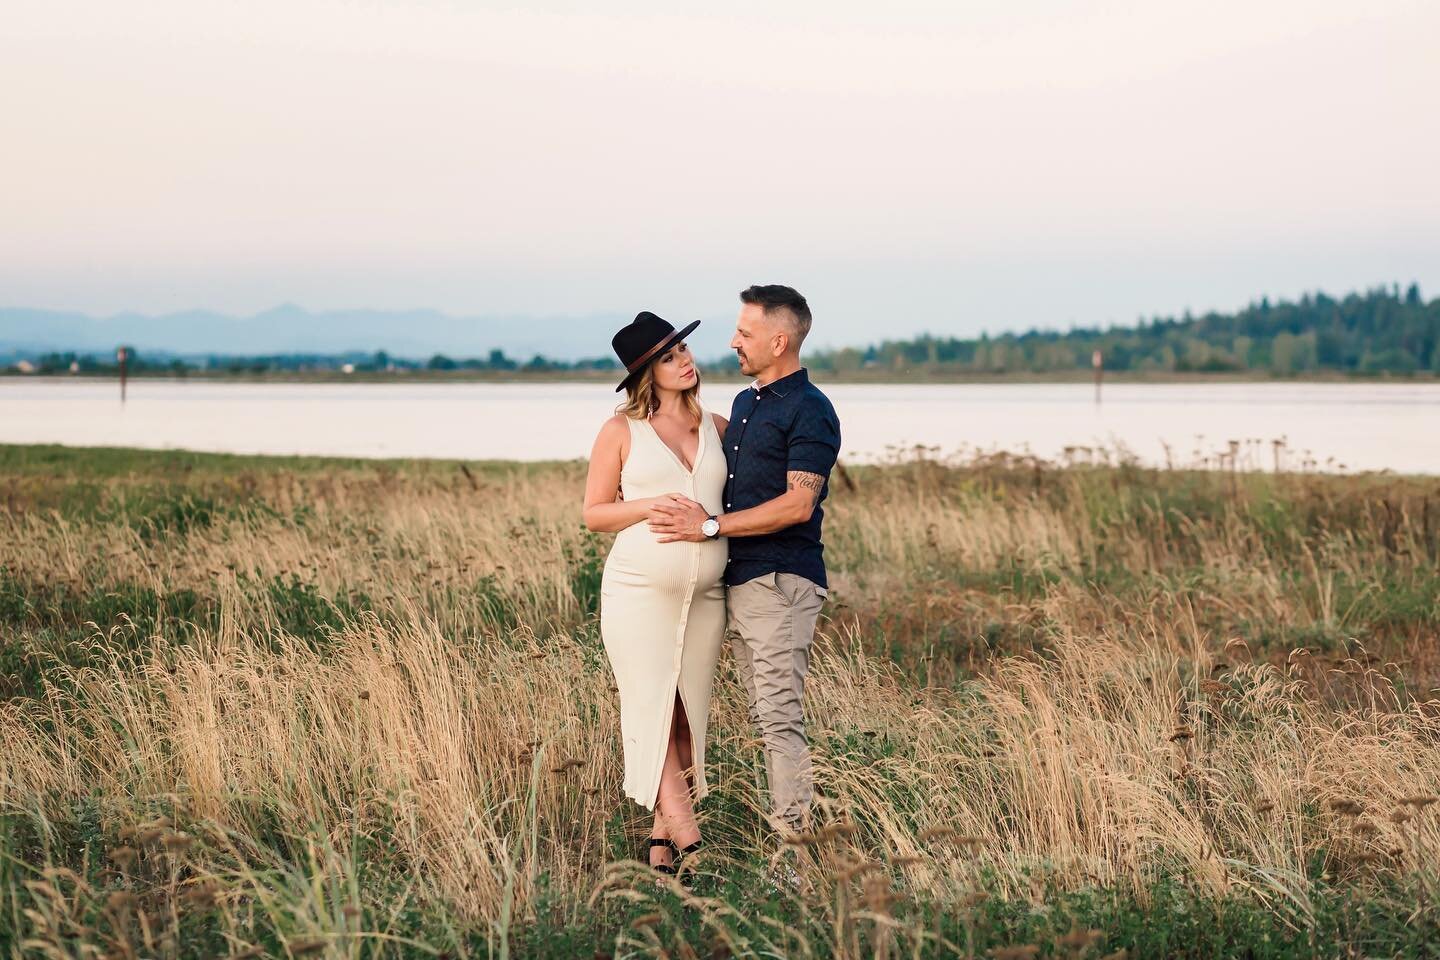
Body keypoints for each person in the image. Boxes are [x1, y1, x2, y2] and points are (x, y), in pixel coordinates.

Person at [650, 284, 841, 842]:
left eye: (745, 332)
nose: (733, 342)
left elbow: (797, 503)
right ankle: (783, 842)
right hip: (740, 580)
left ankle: (795, 857)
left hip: (780, 581)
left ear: (779, 340)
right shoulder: (745, 403)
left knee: (779, 719)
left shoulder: (812, 409)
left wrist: (709, 527)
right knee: (763, 718)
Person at [583, 311, 730, 878]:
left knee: (690, 720)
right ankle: (694, 846)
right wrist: (651, 505)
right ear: (648, 371)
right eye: (669, 356)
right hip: (638, 593)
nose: (685, 361)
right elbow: (595, 513)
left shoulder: (718, 426)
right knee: (652, 712)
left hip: (706, 601)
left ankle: (659, 847)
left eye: (684, 350)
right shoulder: (621, 431)